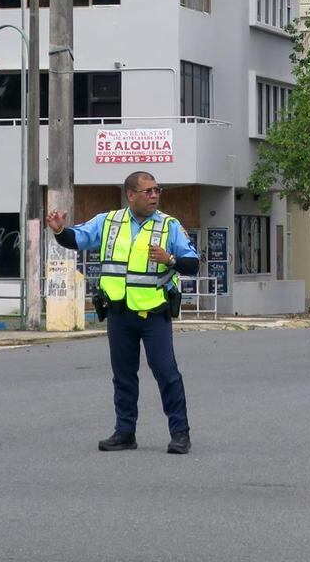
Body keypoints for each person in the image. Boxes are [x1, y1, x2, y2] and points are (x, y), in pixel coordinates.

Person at [46, 170, 200, 454]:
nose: (154, 195)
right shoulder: (109, 222)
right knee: (123, 376)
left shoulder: (169, 226)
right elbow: (75, 238)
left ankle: (180, 433)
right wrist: (58, 230)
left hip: (154, 313)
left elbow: (193, 264)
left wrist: (171, 259)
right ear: (131, 195)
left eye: (157, 190)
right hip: (119, 313)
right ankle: (125, 432)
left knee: (167, 373)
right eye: (148, 191)